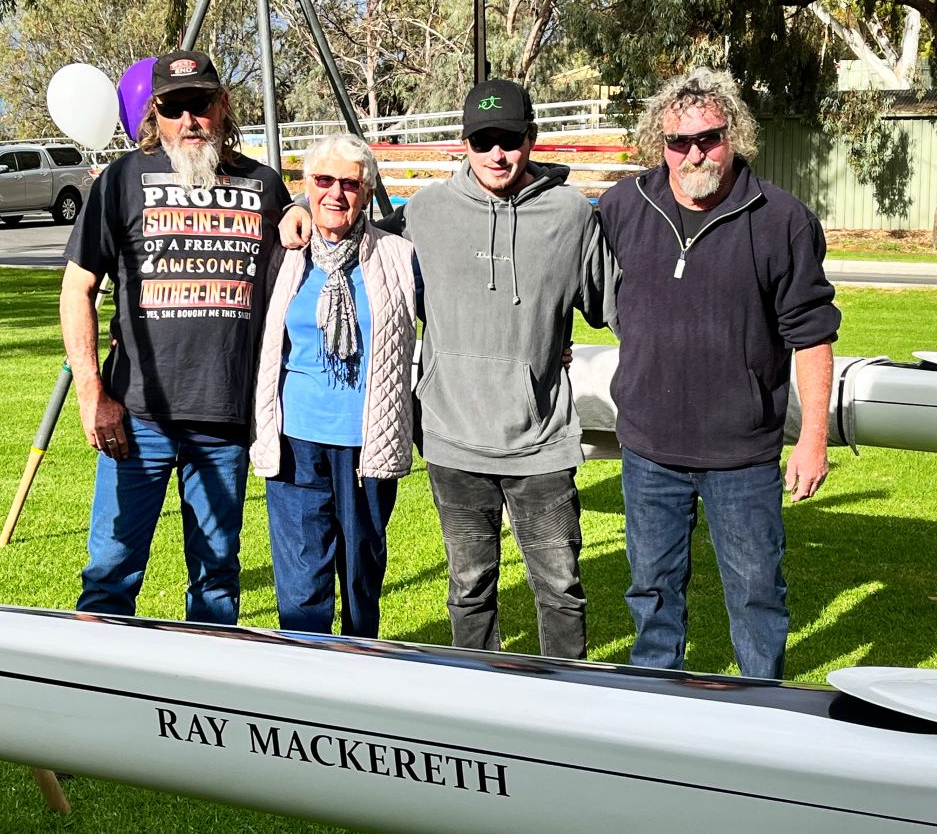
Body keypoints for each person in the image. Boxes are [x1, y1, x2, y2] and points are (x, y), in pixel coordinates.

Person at [283, 79, 619, 659]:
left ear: (531, 139)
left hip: (540, 443)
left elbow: (620, 304)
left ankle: (570, 708)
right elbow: (352, 240)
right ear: (464, 143)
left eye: (509, 140)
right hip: (451, 441)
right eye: (484, 140)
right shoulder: (429, 212)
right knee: (469, 588)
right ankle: (474, 701)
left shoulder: (570, 215)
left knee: (561, 588)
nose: (497, 154)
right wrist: (299, 209)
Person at [598, 67, 841, 679]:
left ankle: (764, 699)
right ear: (660, 145)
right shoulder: (625, 205)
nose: (695, 153)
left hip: (743, 453)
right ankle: (656, 696)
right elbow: (541, 227)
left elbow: (812, 336)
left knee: (758, 591)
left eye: (709, 136)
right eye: (678, 142)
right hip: (650, 447)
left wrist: (812, 438)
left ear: (736, 134)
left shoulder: (782, 219)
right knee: (651, 591)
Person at [60, 49, 290, 623]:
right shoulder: (119, 182)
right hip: (135, 420)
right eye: (174, 107)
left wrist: (304, 208)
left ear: (222, 105)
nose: (190, 120)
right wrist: (92, 395)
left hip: (225, 421)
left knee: (216, 581)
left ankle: (198, 705)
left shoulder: (263, 186)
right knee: (110, 574)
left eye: (201, 104)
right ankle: (95, 700)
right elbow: (76, 290)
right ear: (154, 114)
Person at [250, 134, 416, 637]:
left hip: (369, 444)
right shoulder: (283, 255)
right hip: (296, 440)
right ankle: (304, 691)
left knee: (362, 583)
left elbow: (452, 325)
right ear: (306, 186)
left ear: (366, 192)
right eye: (324, 181)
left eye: (350, 183)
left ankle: (356, 684)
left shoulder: (400, 256)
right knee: (302, 589)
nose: (335, 194)